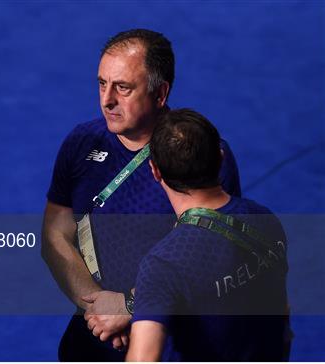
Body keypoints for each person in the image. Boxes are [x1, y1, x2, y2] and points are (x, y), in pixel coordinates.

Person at [41, 29, 242, 361]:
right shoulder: (81, 142)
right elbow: (55, 232)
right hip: (92, 340)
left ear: (160, 93)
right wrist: (99, 309)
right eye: (102, 84)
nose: (107, 100)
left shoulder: (202, 153)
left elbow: (212, 257)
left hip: (171, 347)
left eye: (123, 88)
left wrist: (130, 307)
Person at [126, 108, 290, 361]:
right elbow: (282, 314)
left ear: (155, 171)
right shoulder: (265, 218)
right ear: (221, 157)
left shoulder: (163, 264)